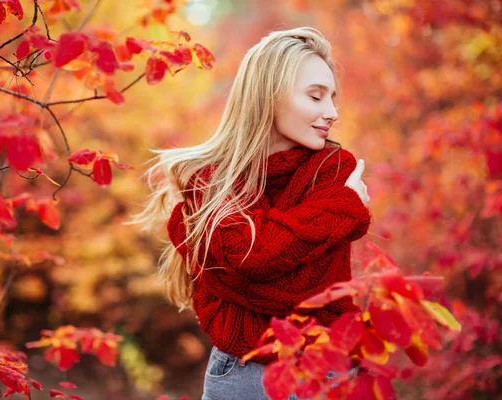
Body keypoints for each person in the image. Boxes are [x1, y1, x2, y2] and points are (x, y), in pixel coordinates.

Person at [128, 27, 371, 400]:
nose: (332, 113)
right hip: (242, 375)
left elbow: (300, 287)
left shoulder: (333, 170)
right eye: (316, 96)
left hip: (326, 370)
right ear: (268, 96)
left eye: (332, 98)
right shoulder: (212, 180)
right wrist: (341, 209)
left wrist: (221, 260)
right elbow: (254, 259)